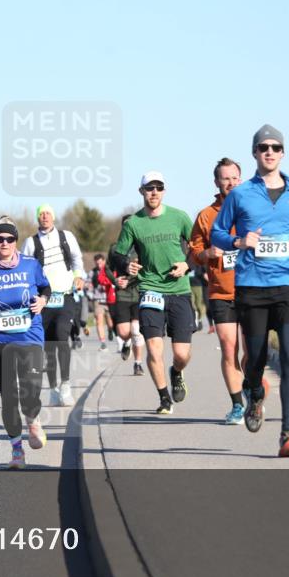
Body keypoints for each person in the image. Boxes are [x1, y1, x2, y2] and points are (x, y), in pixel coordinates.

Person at [211, 125, 289, 457]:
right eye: (263, 147)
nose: (270, 151)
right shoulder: (240, 193)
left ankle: (287, 435)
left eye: (276, 147)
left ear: (283, 153)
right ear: (254, 153)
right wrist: (239, 240)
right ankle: (254, 394)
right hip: (252, 287)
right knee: (256, 359)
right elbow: (218, 233)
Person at [0, 217, 51, 469]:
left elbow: (46, 288)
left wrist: (43, 301)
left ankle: (33, 417)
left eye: (9, 238)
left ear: (16, 241)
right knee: (8, 397)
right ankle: (17, 451)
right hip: (1, 339)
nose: (4, 242)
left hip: (30, 336)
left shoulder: (31, 265)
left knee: (31, 390)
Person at [113, 171, 196, 415]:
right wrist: (126, 265)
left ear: (164, 191)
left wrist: (187, 265)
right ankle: (164, 398)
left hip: (179, 290)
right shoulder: (133, 223)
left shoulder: (179, 217)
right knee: (153, 348)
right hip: (150, 290)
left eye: (159, 187)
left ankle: (177, 372)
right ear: (142, 192)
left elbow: (198, 246)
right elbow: (117, 254)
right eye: (149, 188)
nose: (154, 192)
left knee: (181, 354)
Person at [190, 157, 247, 425]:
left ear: (241, 179)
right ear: (217, 182)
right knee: (228, 347)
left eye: (234, 177)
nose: (230, 183)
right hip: (221, 292)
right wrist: (207, 253)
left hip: (253, 290)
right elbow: (193, 252)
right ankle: (237, 405)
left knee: (252, 352)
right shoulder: (206, 215)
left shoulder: (253, 209)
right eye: (225, 178)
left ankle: (252, 387)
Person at [21, 204, 84, 407]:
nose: (45, 216)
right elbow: (25, 269)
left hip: (64, 296)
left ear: (53, 217)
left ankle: (65, 384)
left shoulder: (66, 237)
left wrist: (78, 276)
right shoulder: (30, 243)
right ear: (37, 218)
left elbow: (76, 259)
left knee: (62, 337)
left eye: (48, 213)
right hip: (43, 300)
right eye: (41, 214)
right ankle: (53, 388)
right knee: (47, 346)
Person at [108, 215, 145, 376]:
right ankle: (127, 342)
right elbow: (107, 269)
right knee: (124, 332)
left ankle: (138, 364)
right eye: (126, 226)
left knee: (136, 329)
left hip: (139, 292)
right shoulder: (115, 248)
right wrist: (115, 280)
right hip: (122, 293)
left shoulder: (142, 246)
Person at [91, 254, 115, 350]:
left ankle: (110, 330)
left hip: (109, 300)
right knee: (99, 321)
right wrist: (90, 293)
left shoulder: (110, 271)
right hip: (98, 300)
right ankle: (103, 342)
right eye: (97, 263)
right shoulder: (92, 273)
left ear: (104, 261)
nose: (99, 265)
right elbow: (87, 284)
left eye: (100, 263)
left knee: (110, 322)